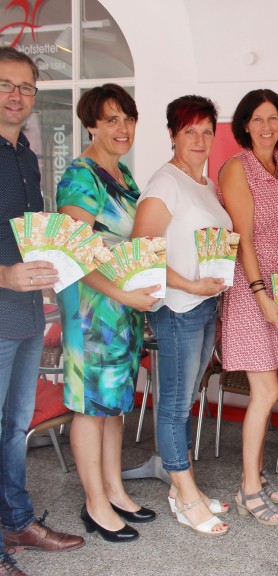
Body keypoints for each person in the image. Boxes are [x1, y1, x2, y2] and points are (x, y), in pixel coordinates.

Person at [57, 84, 159, 543]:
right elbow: (73, 255)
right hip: (92, 310)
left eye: (128, 119)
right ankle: (95, 503)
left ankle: (115, 489)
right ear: (91, 124)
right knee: (90, 408)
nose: (122, 128)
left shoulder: (124, 176)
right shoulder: (81, 176)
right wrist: (124, 293)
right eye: (111, 119)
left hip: (125, 308)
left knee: (114, 407)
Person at [0, 46, 83, 576]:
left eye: (26, 87)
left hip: (29, 314)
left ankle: (16, 521)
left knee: (12, 428)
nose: (16, 95)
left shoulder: (26, 154)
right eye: (6, 84)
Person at [132, 95, 230, 536]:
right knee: (173, 405)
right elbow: (141, 252)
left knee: (187, 397)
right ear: (172, 134)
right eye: (189, 130)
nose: (200, 139)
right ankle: (187, 495)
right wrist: (190, 285)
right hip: (178, 309)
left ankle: (179, 486)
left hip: (206, 305)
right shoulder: (165, 183)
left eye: (207, 130)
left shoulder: (205, 185)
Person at [217, 89, 278, 525]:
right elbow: (244, 237)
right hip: (252, 288)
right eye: (258, 119)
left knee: (272, 389)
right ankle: (249, 489)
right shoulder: (237, 167)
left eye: (274, 118)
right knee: (265, 391)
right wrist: (261, 292)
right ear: (245, 124)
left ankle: (257, 473)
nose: (267, 126)